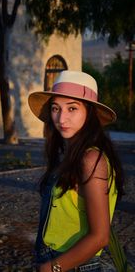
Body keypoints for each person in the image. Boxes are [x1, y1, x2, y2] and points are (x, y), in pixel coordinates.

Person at [28, 70, 124, 272]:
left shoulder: (91, 159)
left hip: (73, 264)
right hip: (52, 255)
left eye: (72, 108)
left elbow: (100, 236)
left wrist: (51, 268)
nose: (61, 118)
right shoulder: (69, 153)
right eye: (56, 108)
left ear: (89, 112)